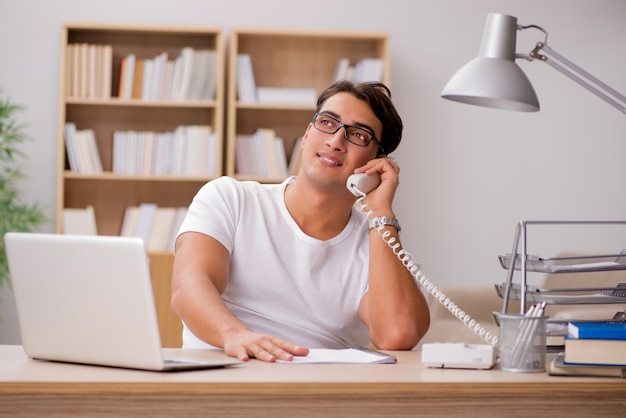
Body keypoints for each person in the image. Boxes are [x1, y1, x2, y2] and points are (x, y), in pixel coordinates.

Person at [171, 80, 430, 362]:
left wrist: (381, 212)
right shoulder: (230, 198)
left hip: (315, 393)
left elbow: (397, 334)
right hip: (223, 376)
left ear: (377, 164)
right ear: (307, 134)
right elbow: (189, 284)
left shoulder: (379, 246)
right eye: (328, 123)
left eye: (358, 135)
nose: (335, 141)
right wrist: (235, 335)